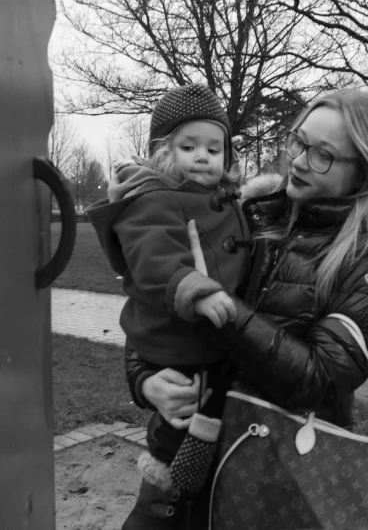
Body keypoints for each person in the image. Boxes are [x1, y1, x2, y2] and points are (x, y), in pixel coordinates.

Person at [126, 88, 368, 528]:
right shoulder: (251, 211)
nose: (300, 160)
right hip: (183, 451)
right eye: (298, 141)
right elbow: (158, 298)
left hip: (275, 472)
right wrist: (144, 378)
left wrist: (222, 309)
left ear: (363, 170)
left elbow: (322, 378)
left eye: (323, 154)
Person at [85, 84, 250, 530]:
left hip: (212, 356)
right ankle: (164, 508)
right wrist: (199, 290)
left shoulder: (232, 202)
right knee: (173, 448)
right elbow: (156, 260)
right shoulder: (154, 201)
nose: (202, 156)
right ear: (163, 152)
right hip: (175, 348)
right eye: (188, 146)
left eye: (214, 148)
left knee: (201, 431)